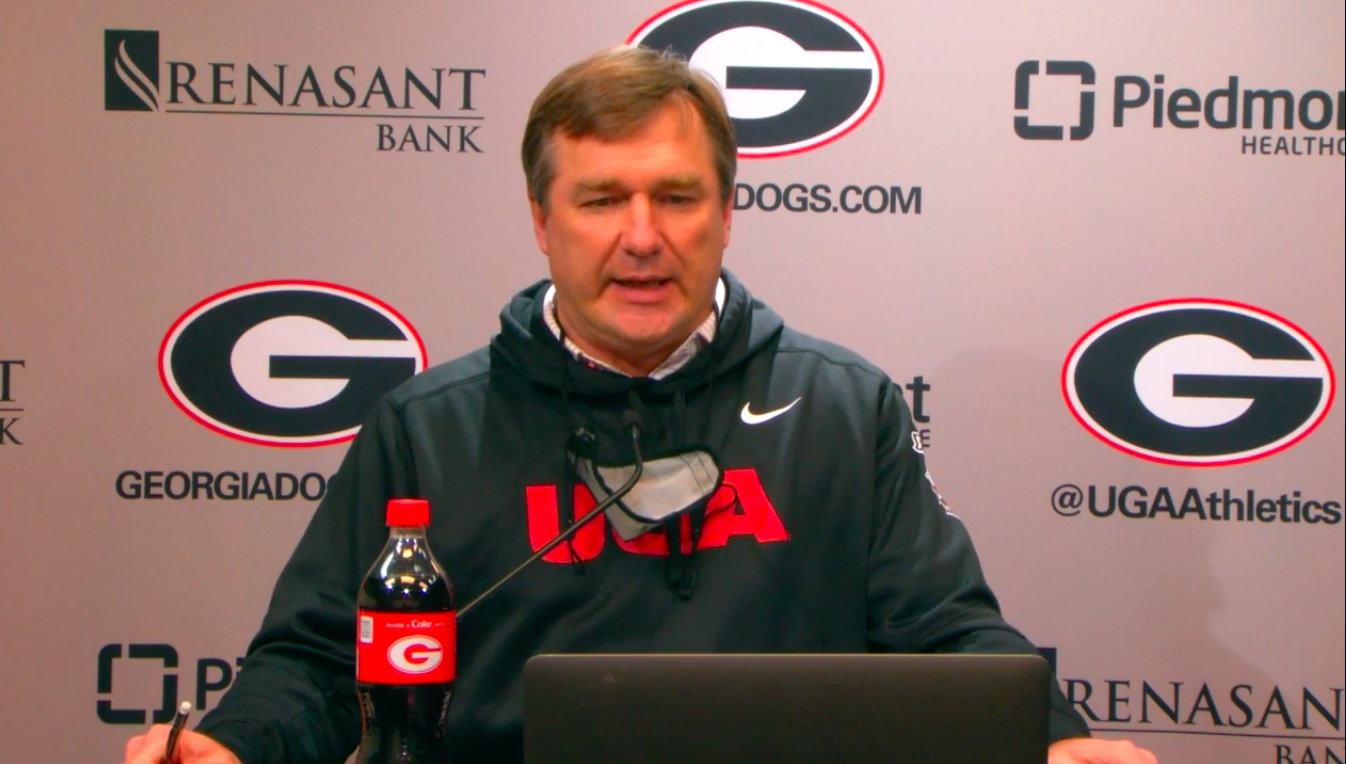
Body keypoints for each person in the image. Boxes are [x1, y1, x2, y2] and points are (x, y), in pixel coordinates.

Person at [124, 46, 1158, 764]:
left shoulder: (845, 410)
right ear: (542, 220)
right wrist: (234, 744)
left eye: (675, 196)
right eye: (600, 199)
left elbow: (948, 634)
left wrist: (1054, 738)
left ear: (727, 211)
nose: (641, 236)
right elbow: (317, 657)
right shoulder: (427, 428)